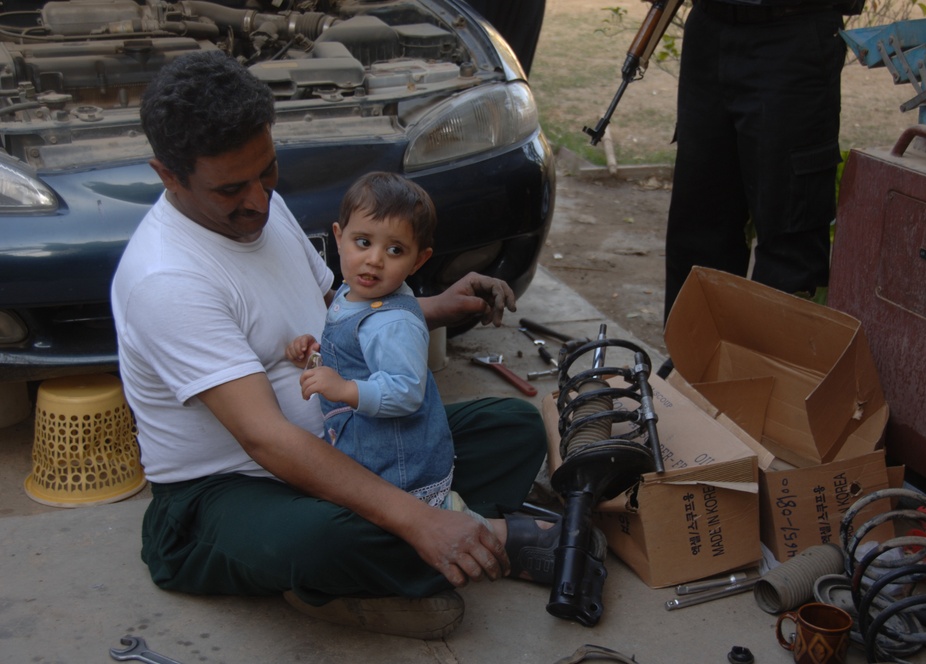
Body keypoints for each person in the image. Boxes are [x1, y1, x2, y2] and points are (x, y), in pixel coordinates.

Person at [111, 49, 593, 640]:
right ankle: (472, 537)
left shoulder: (264, 209)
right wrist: (418, 520)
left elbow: (340, 316)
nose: (259, 200)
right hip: (230, 490)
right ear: (168, 175)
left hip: (344, 437)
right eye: (232, 189)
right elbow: (266, 439)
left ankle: (414, 550)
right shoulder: (168, 281)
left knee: (512, 427)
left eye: (268, 171)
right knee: (320, 541)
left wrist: (435, 305)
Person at [663, 0, 861, 324]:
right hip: (709, 27)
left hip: (792, 33)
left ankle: (776, 369)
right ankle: (690, 367)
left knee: (790, 231)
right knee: (698, 228)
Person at [285, 171, 470, 516]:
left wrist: (343, 388)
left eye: (395, 249)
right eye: (363, 242)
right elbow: (355, 352)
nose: (374, 259)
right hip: (362, 443)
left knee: (390, 524)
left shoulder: (392, 324)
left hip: (396, 467)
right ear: (339, 238)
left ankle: (446, 514)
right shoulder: (349, 292)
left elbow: (405, 390)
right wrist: (318, 355)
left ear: (418, 260)